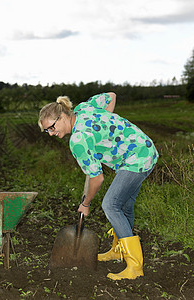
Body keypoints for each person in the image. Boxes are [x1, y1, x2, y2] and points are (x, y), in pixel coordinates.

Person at [38, 92, 158, 280]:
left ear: (62, 117)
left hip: (136, 160)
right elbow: (111, 96)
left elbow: (97, 178)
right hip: (144, 149)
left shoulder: (78, 140)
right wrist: (106, 131)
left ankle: (135, 267)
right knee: (125, 206)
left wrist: (86, 204)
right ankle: (118, 250)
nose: (51, 133)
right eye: (47, 131)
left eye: (51, 127)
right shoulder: (84, 108)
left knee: (111, 205)